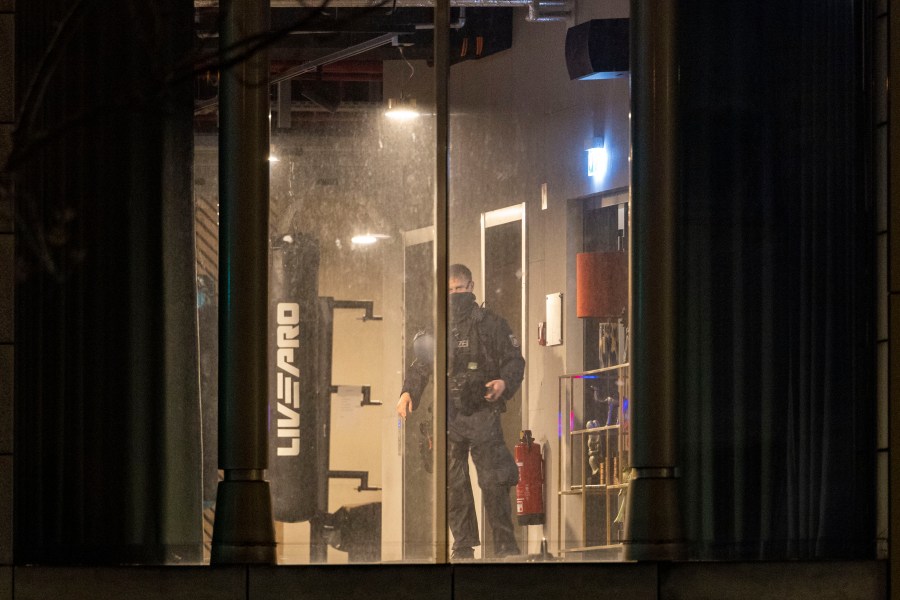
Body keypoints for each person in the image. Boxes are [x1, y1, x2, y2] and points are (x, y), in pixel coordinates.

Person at [397, 263, 525, 560]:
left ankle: (505, 546)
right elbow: (421, 367)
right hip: (449, 415)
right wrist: (406, 393)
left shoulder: (492, 324)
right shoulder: (436, 328)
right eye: (450, 290)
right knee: (453, 483)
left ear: (471, 287)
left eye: (460, 289)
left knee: (493, 481)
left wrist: (504, 383)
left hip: (482, 409)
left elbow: (513, 360)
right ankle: (463, 546)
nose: (456, 294)